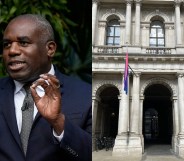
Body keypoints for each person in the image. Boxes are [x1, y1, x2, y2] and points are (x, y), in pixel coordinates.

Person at [0, 14, 92, 161]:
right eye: (7, 44)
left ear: (50, 49)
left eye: (23, 43)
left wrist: (59, 123)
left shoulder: (86, 95)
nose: (12, 51)